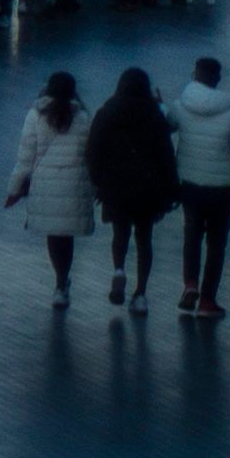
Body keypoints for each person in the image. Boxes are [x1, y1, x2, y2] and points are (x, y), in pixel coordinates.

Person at [85, 67, 178, 314]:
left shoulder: (107, 112)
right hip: (147, 188)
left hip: (116, 185)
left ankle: (119, 270)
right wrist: (172, 190)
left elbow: (93, 150)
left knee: (120, 233)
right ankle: (140, 294)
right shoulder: (154, 115)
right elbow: (166, 155)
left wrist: (98, 181)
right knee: (144, 238)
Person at [165, 55, 230, 322]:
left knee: (192, 235)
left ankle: (190, 285)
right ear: (217, 78)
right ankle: (208, 301)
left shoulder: (181, 105)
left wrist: (159, 105)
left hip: (190, 183)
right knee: (216, 244)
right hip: (222, 187)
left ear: (195, 75)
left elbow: (166, 126)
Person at [3, 71, 93, 306]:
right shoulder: (83, 117)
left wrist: (14, 189)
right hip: (74, 184)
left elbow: (26, 157)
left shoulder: (35, 115)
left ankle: (60, 281)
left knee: (54, 236)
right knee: (66, 236)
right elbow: (91, 155)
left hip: (45, 184)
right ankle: (63, 282)